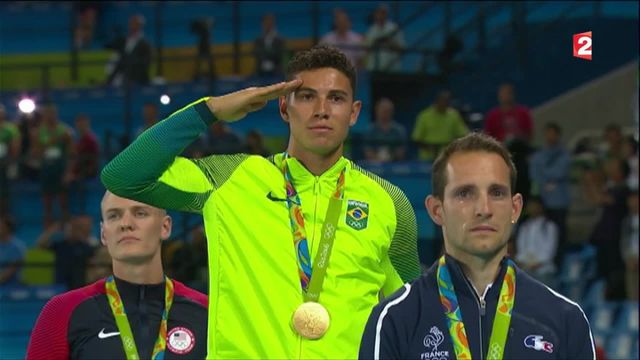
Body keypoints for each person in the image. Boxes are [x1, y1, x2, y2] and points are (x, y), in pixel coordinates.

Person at [101, 45, 420, 359]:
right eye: (307, 96)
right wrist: (209, 110)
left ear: (354, 112)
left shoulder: (388, 202)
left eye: (336, 98)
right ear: (283, 108)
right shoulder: (230, 179)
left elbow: (410, 318)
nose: (322, 109)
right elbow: (124, 175)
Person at [360, 133, 595, 359]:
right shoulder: (396, 318)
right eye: (465, 193)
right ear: (436, 210)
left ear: (515, 208)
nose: (484, 208)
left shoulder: (564, 319)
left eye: (497, 193)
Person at [27, 191, 208, 359]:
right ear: (104, 233)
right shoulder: (62, 311)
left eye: (140, 213)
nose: (126, 224)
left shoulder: (208, 311)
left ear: (165, 227)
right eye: (114, 215)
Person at [529, 122, 571, 265]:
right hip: (543, 202)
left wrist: (544, 172)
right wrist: (549, 176)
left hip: (559, 203)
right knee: (541, 237)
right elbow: (534, 174)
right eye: (548, 133)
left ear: (558, 135)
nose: (550, 136)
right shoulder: (538, 155)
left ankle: (559, 268)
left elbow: (560, 171)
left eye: (553, 133)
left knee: (559, 239)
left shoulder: (564, 155)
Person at [412, 90, 468, 161]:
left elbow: (463, 134)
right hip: (428, 158)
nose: (444, 104)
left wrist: (453, 147)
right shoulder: (424, 116)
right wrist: (430, 149)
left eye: (447, 102)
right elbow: (416, 138)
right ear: (436, 101)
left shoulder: (454, 115)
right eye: (442, 101)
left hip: (448, 156)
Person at [362, 97, 407, 162]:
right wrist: (378, 159)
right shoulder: (369, 130)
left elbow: (401, 151)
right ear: (377, 111)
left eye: (388, 111)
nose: (385, 113)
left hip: (394, 164)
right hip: (373, 165)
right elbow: (367, 150)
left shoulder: (399, 130)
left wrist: (389, 158)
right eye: (383, 111)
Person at [253, 13, 286, 77]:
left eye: (270, 23)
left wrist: (267, 54)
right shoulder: (258, 40)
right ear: (262, 24)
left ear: (273, 24)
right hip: (260, 72)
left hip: (276, 71)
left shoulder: (279, 40)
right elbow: (257, 53)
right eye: (266, 23)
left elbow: (279, 55)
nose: (268, 25)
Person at [0, 216, 26, 286]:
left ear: (8, 228)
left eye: (1, 226)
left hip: (13, 286)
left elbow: (13, 268)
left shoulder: (17, 246)